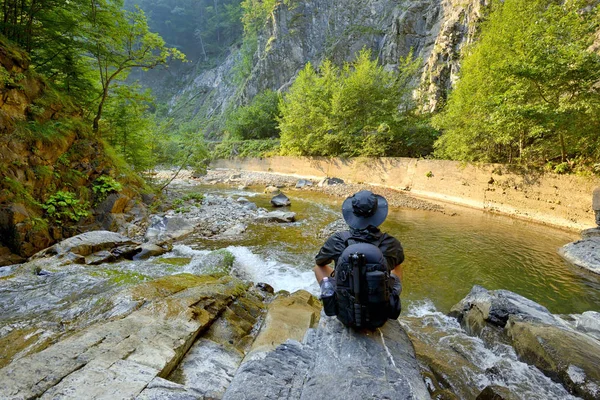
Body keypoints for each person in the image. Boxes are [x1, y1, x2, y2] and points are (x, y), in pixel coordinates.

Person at [313, 189, 403, 299]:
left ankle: (330, 293)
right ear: (377, 213)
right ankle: (392, 296)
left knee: (318, 267)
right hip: (379, 308)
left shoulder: (337, 240)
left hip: (344, 311)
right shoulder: (391, 243)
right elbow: (396, 264)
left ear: (352, 212)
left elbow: (320, 262)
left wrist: (339, 275)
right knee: (397, 264)